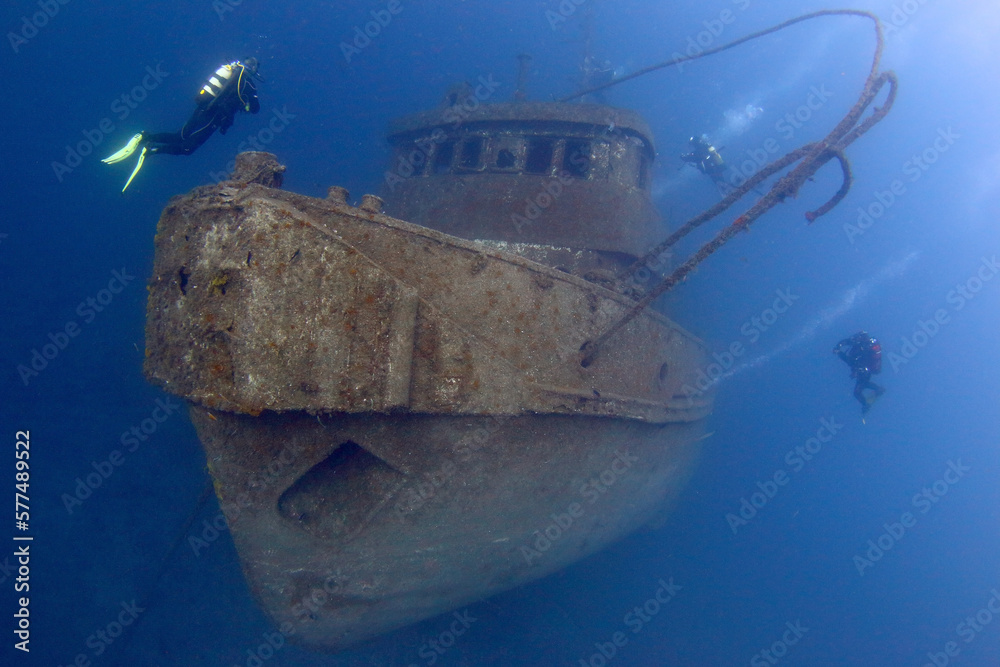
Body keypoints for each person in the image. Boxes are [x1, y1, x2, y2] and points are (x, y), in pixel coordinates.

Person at [102, 58, 261, 191]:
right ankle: (151, 149)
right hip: (214, 116)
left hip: (203, 106)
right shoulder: (248, 84)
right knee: (187, 148)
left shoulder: (230, 72)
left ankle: (145, 136)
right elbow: (255, 108)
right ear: (253, 70)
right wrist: (246, 105)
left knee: (181, 136)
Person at [833, 331, 885, 413]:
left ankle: (867, 404)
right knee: (862, 385)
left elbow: (851, 361)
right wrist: (838, 347)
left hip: (865, 370)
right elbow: (847, 343)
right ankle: (877, 390)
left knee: (858, 391)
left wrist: (839, 351)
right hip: (865, 370)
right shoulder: (861, 345)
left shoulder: (864, 347)